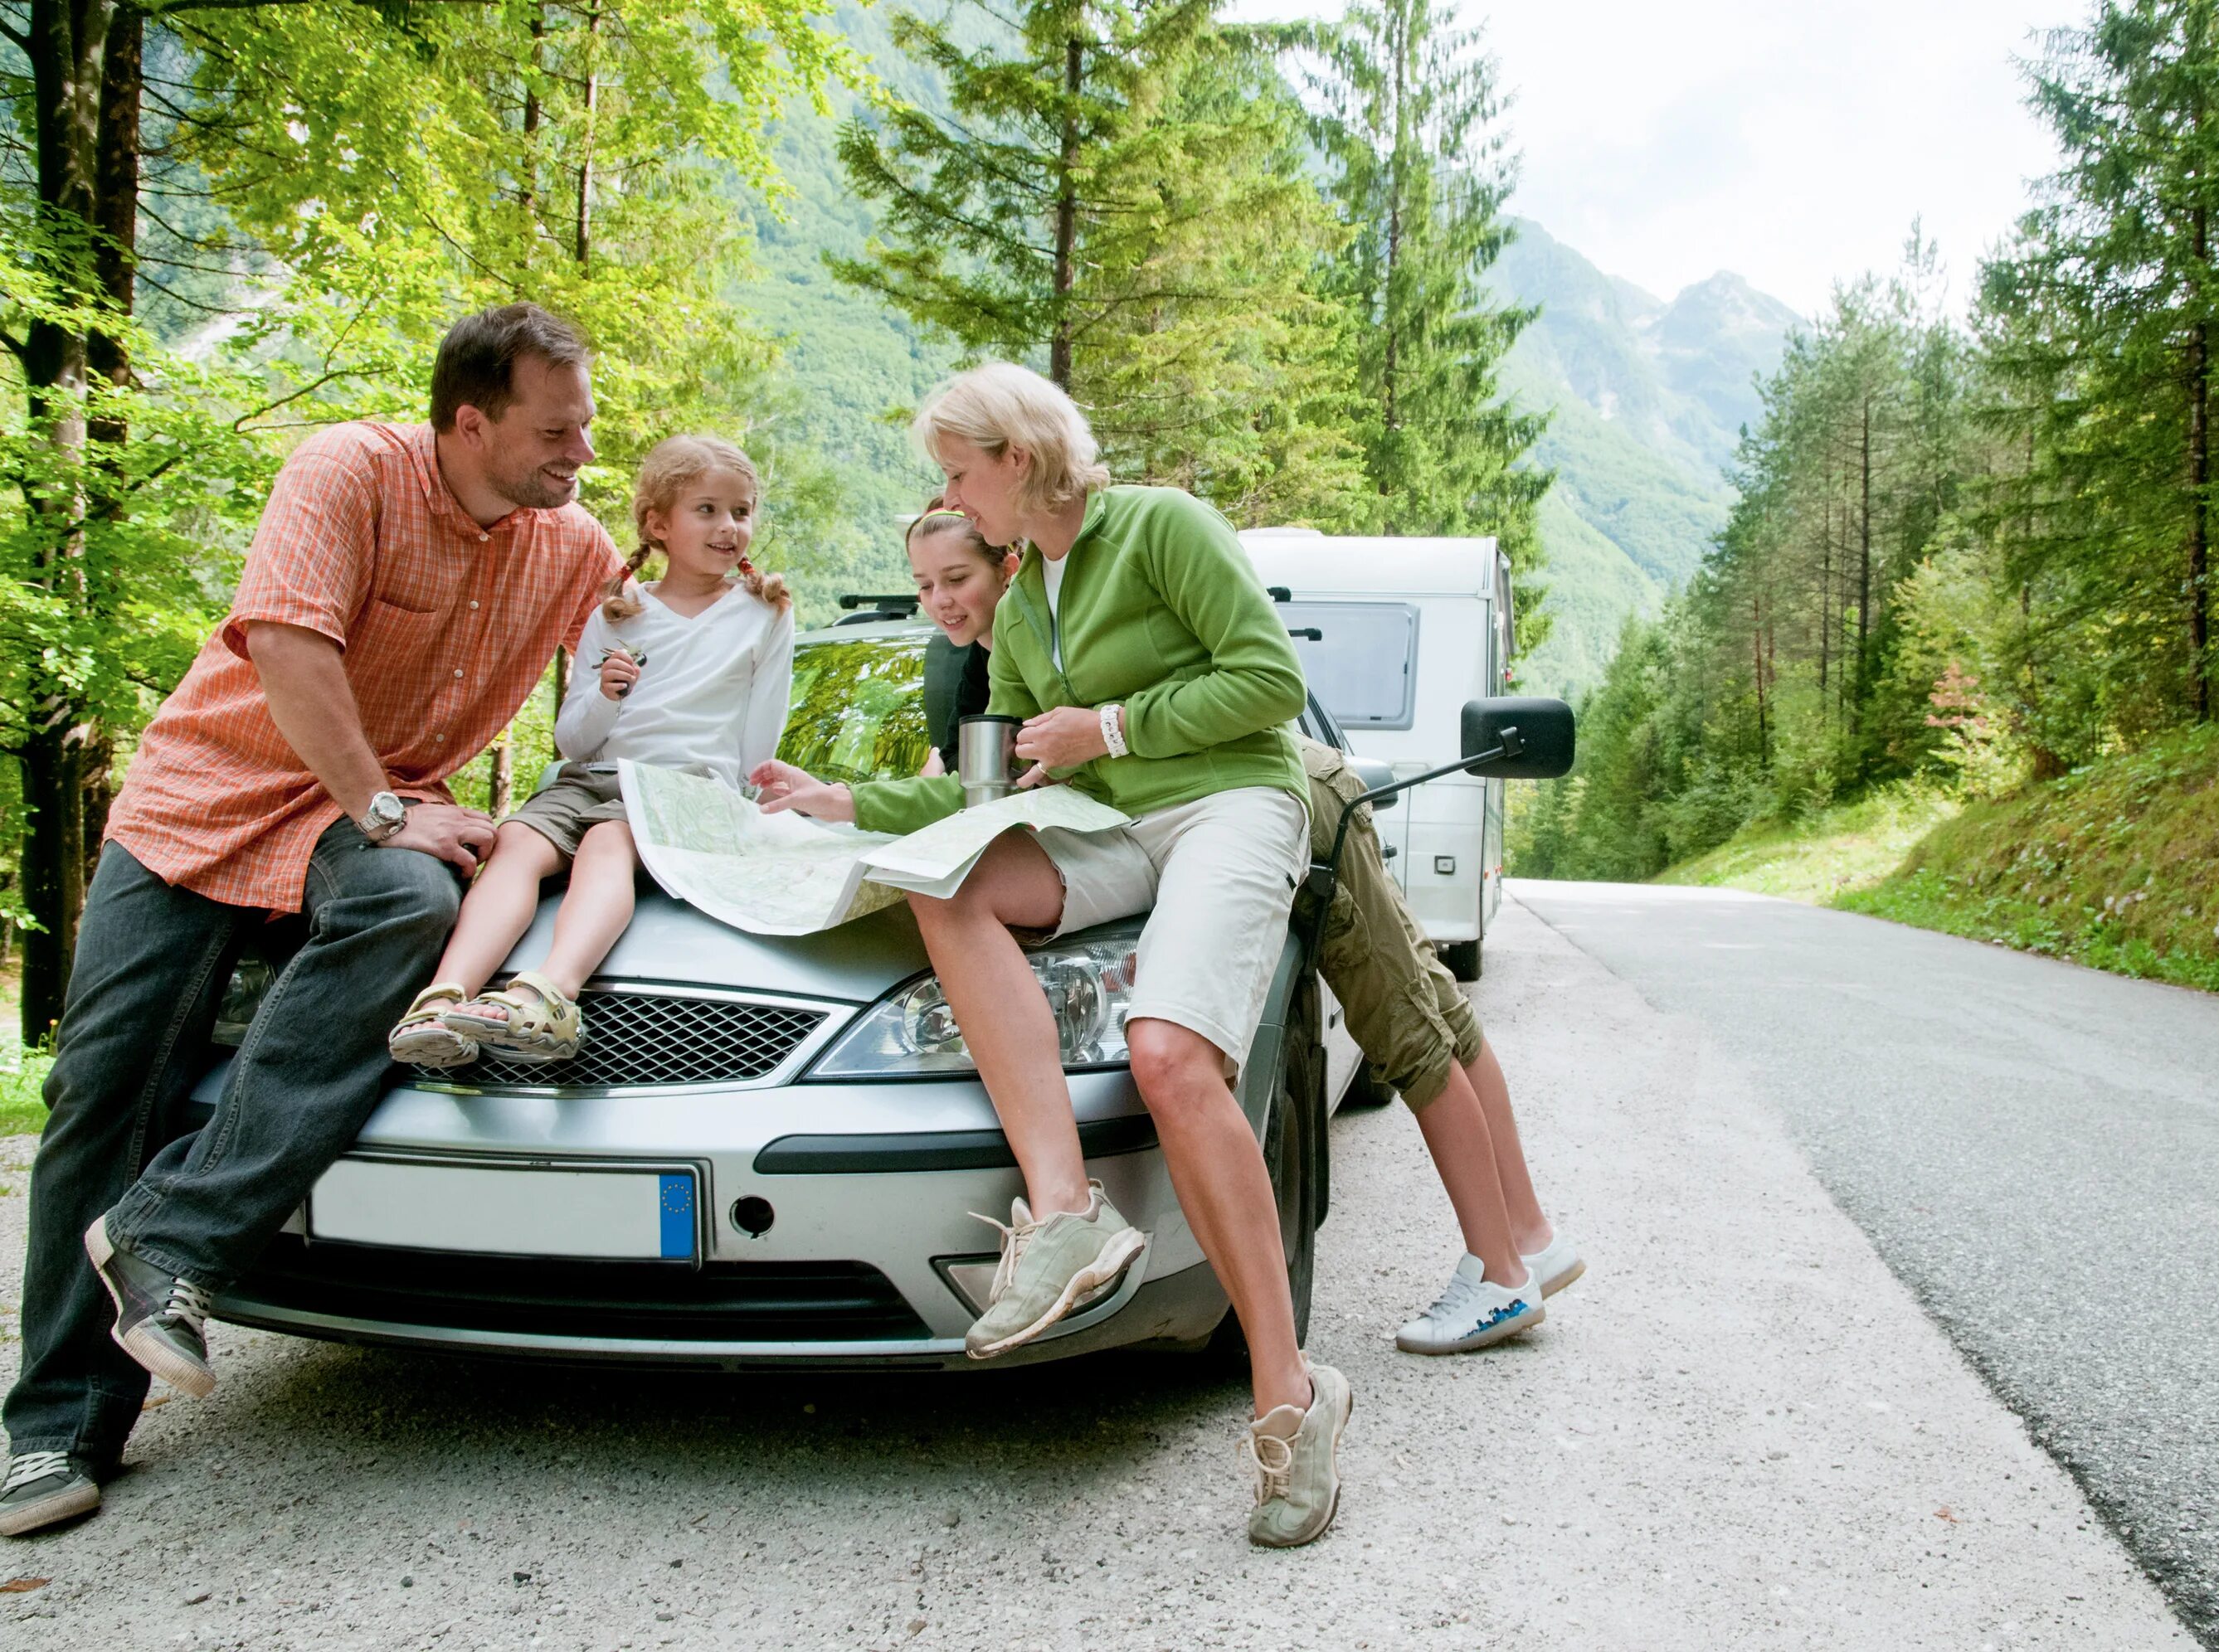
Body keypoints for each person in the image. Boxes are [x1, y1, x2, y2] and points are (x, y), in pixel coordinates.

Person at [1, 305, 621, 1539]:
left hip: (369, 830)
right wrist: (388, 805)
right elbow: (288, 642)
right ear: (469, 420)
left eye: (588, 429)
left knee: (408, 899)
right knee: (105, 1086)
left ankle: (168, 1239)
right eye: (558, 431)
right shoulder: (348, 469)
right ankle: (50, 1429)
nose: (582, 453)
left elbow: (673, 647)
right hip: (208, 805)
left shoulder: (574, 543)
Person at [752, 363, 1346, 1549]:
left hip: (1230, 799)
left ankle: (1292, 1394)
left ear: (1015, 459)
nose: (952, 495)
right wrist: (847, 803)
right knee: (943, 881)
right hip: (1113, 826)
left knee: (1171, 1059)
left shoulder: (1161, 527)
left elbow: (1273, 681)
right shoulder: (1022, 607)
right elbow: (1003, 788)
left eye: (958, 470)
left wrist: (1113, 727)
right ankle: (1066, 1208)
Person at [387, 435, 795, 1065]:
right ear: (658, 524)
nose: (730, 527)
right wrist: (606, 696)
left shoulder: (762, 613)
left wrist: (739, 809)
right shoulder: (620, 614)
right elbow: (573, 740)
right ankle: (443, 998)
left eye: (741, 512)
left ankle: (549, 992)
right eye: (708, 510)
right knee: (518, 840)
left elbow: (757, 743)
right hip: (592, 775)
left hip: (680, 789)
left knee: (607, 841)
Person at [1294, 739, 1585, 1353]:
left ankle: (1500, 1274)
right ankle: (1528, 1236)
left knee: (1404, 1022)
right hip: (1309, 780)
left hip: (1292, 797)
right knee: (1429, 998)